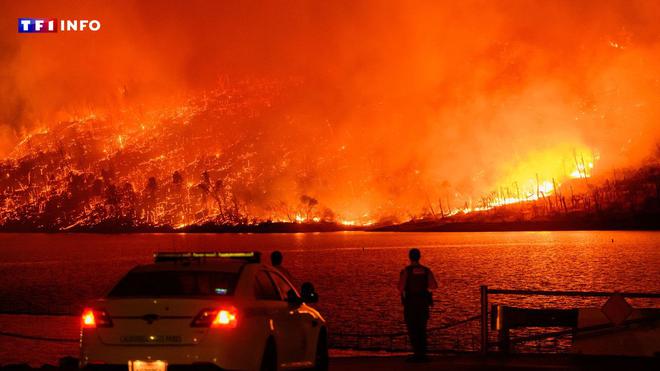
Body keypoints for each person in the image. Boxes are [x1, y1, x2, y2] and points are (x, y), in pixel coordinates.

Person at [397, 248, 438, 362]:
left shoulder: (406, 271)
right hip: (423, 303)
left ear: (409, 257)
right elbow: (434, 286)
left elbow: (400, 288)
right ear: (419, 257)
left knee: (412, 329)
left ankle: (417, 354)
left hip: (410, 304)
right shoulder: (426, 270)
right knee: (422, 328)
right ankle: (423, 354)